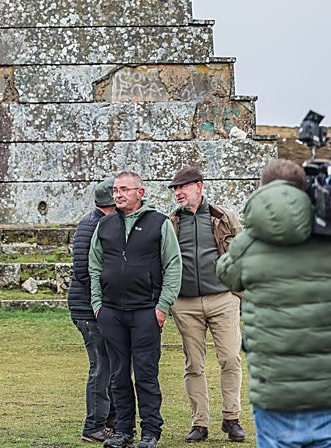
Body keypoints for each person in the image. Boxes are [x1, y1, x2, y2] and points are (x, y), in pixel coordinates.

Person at [217, 160, 331, 448]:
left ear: (263, 189)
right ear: (305, 190)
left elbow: (227, 275)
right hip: (326, 387)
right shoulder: (330, 240)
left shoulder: (250, 242)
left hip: (274, 389)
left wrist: (250, 238)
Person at [89, 171, 182, 448]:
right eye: (116, 190)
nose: (117, 194)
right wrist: (98, 305)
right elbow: (94, 266)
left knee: (145, 374)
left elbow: (173, 264)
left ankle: (151, 431)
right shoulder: (104, 226)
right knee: (118, 375)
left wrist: (163, 305)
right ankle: (123, 431)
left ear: (140, 193)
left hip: (146, 311)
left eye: (124, 190)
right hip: (112, 312)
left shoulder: (159, 223)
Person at [166, 167, 246, 443]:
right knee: (194, 364)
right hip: (185, 303)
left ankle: (231, 418)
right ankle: (199, 422)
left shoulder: (223, 217)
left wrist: (242, 295)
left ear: (198, 186)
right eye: (175, 189)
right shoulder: (171, 222)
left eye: (182, 187)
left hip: (223, 298)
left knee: (230, 358)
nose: (177, 193)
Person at [69, 180, 118, 444]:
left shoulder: (97, 222)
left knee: (108, 364)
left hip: (94, 307)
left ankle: (109, 418)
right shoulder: (92, 226)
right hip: (88, 309)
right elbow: (83, 271)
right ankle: (94, 425)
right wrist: (103, 301)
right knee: (100, 366)